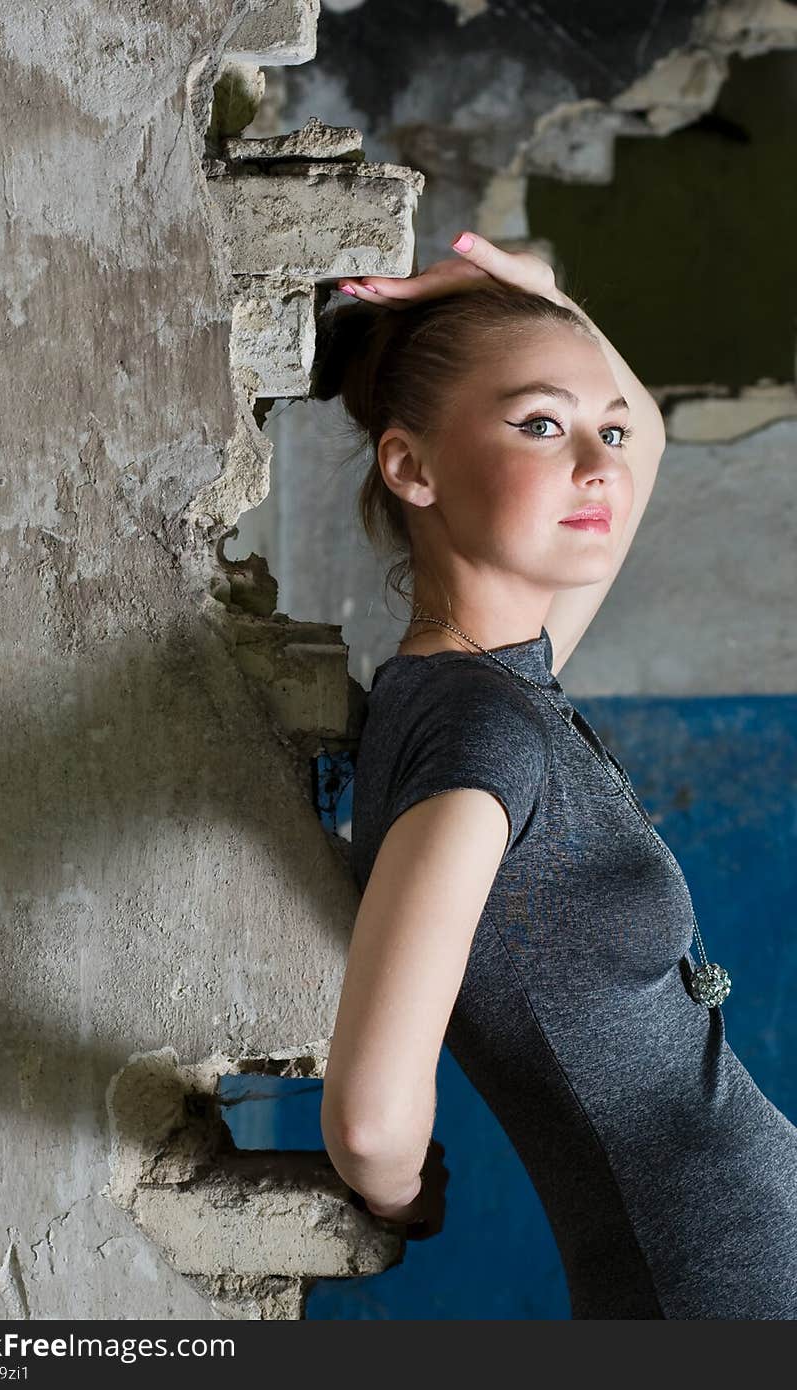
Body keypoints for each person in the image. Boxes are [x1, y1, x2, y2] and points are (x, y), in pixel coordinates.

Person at [315, 231, 797, 1319]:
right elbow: (370, 1117)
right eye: (541, 424)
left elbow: (653, 436)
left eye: (603, 430)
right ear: (411, 465)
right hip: (713, 1290)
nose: (602, 464)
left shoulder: (497, 682)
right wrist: (398, 1190)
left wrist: (544, 302)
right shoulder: (486, 742)